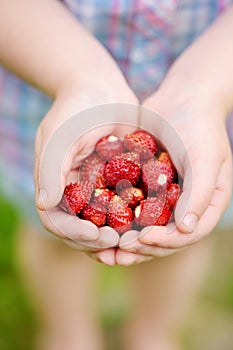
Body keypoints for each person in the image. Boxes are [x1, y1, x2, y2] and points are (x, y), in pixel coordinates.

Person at [0, 1, 232, 349]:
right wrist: (77, 76)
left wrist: (207, 89)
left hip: (210, 93)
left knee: (181, 235)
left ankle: (153, 334)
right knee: (52, 232)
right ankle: (68, 335)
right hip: (51, 86)